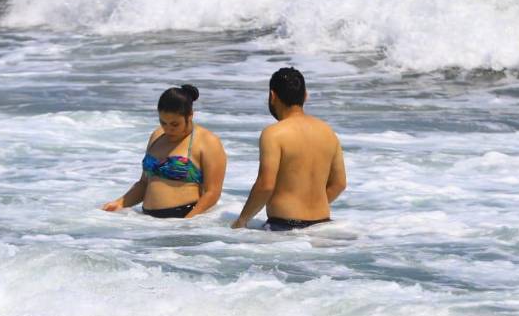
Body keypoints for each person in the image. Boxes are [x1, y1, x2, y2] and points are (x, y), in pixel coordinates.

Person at [232, 67, 347, 231]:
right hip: (322, 227)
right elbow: (339, 184)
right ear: (305, 95)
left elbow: (265, 185)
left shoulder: (274, 133)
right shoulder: (328, 132)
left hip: (284, 228)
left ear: (272, 96)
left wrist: (242, 221)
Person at [103, 84, 227, 219]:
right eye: (163, 122)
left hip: (182, 218)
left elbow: (212, 192)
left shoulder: (207, 141)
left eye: (175, 124)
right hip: (145, 220)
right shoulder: (157, 136)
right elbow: (144, 183)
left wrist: (188, 222)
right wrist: (120, 203)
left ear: (190, 115)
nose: (168, 129)